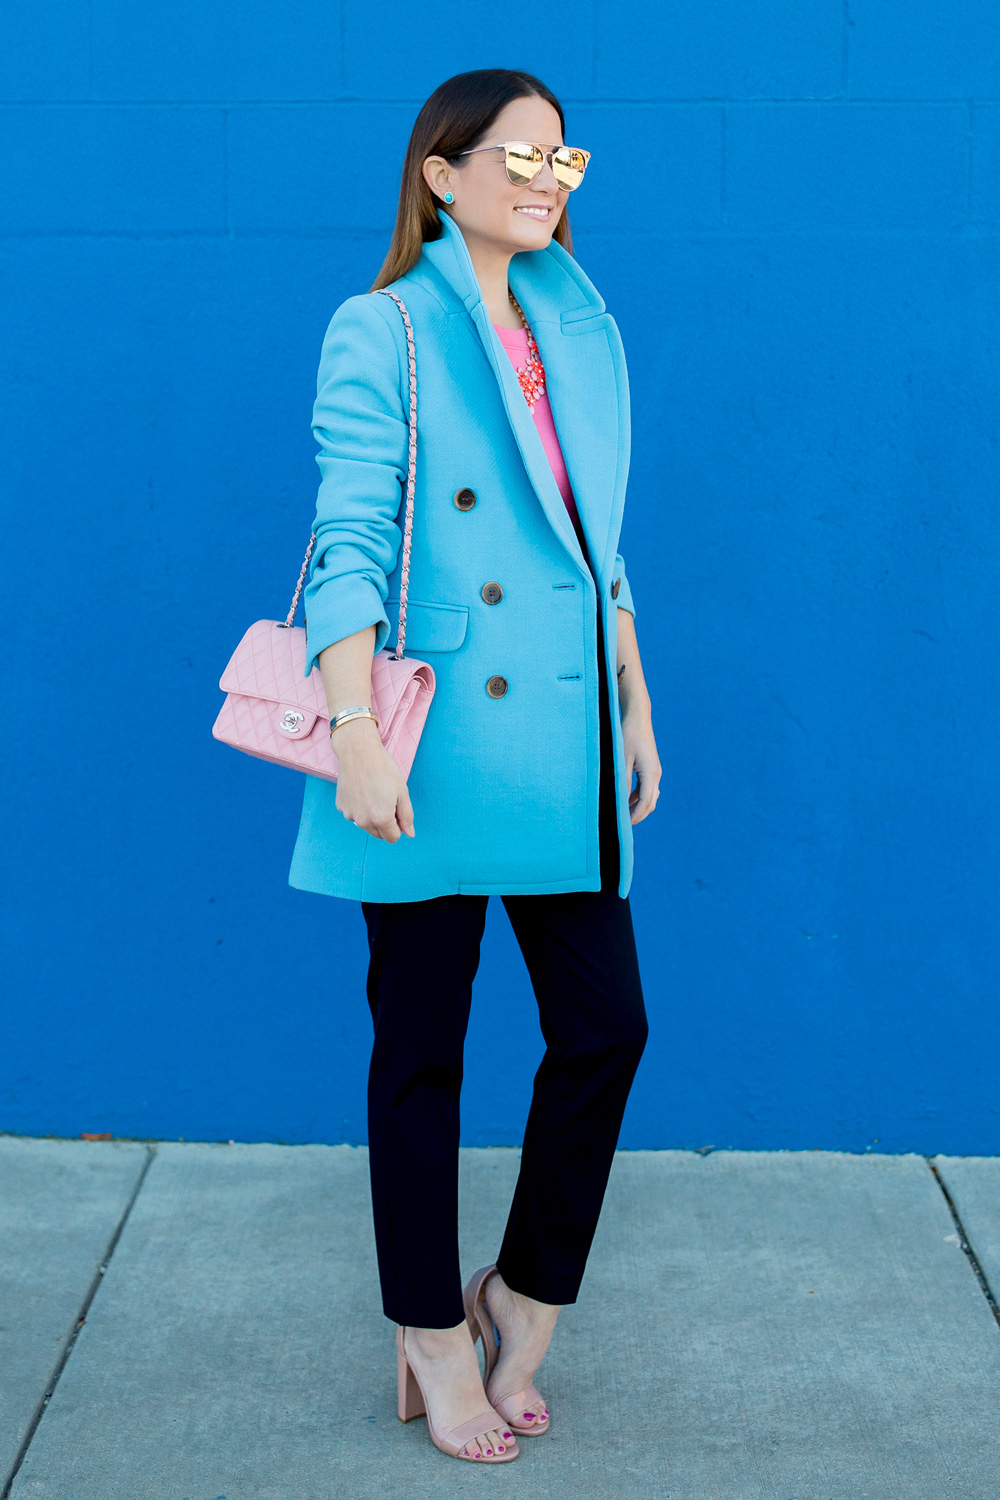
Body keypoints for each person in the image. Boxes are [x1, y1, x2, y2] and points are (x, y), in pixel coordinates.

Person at [288, 67, 661, 1464]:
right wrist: (359, 736)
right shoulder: (380, 327)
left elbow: (597, 548)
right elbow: (348, 542)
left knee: (606, 1025)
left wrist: (633, 703)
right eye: (522, 155)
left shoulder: (582, 329)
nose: (547, 178)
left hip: (561, 739)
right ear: (443, 174)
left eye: (566, 159)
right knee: (422, 1052)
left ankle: (523, 1292)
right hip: (436, 743)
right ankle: (431, 1337)